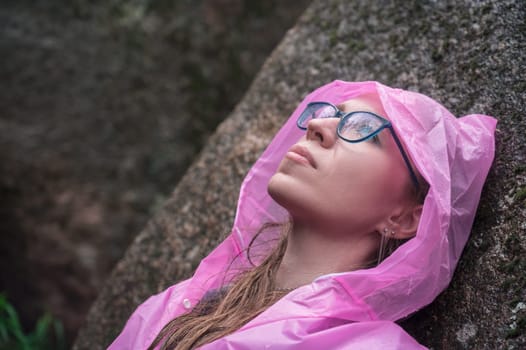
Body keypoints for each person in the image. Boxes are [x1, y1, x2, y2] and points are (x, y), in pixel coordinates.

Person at [108, 80, 496, 349]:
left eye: (362, 129)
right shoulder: (174, 306)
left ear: (405, 218)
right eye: (328, 114)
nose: (317, 126)